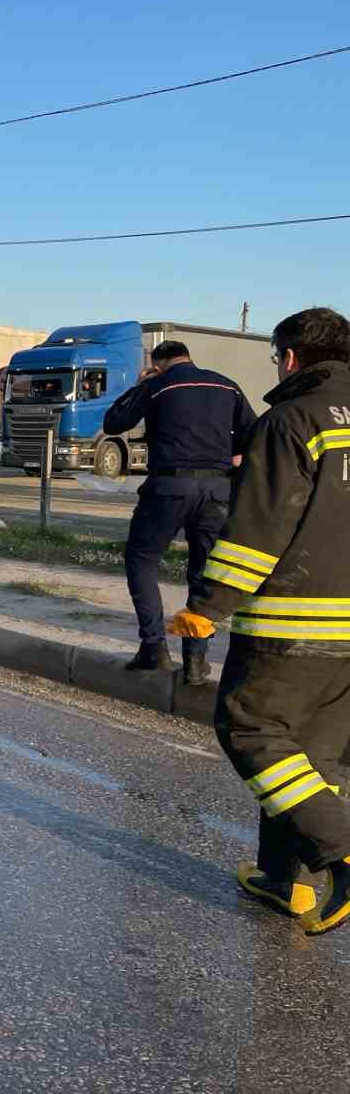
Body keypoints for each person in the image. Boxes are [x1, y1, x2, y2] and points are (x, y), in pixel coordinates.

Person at [169, 307, 350, 936]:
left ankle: (341, 849)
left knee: (250, 728)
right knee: (310, 758)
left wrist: (207, 606)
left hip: (294, 622)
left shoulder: (293, 419)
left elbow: (258, 530)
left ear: (292, 357)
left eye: (277, 357)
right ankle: (286, 881)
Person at [102, 341, 256, 676]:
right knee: (203, 573)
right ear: (188, 356)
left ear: (158, 364)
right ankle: (196, 662)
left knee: (141, 559)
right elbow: (252, 435)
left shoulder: (156, 385)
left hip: (169, 486)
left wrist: (141, 384)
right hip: (217, 490)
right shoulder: (226, 385)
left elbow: (114, 422)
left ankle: (154, 647)